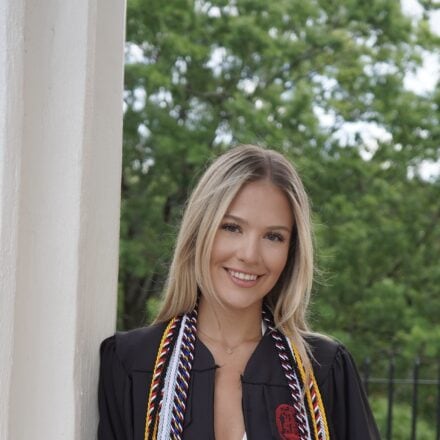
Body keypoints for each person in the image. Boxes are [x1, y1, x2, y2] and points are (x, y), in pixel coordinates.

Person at [98, 145, 380, 440]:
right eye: (232, 227)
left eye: (274, 236)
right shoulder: (133, 364)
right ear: (200, 231)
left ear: (291, 251)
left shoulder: (323, 371)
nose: (249, 255)